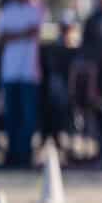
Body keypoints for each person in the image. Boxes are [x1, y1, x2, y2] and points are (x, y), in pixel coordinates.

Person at [0, 0, 46, 167]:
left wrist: (15, 35)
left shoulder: (36, 9)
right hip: (10, 72)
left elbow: (34, 31)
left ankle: (24, 155)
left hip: (29, 72)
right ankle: (13, 154)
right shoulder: (8, 10)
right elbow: (2, 38)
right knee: (11, 117)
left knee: (27, 117)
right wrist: (23, 34)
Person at [39, 10, 83, 156]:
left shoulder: (78, 48)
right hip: (59, 89)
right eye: (65, 28)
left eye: (69, 28)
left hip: (75, 89)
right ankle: (55, 138)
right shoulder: (54, 48)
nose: (67, 31)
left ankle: (72, 142)